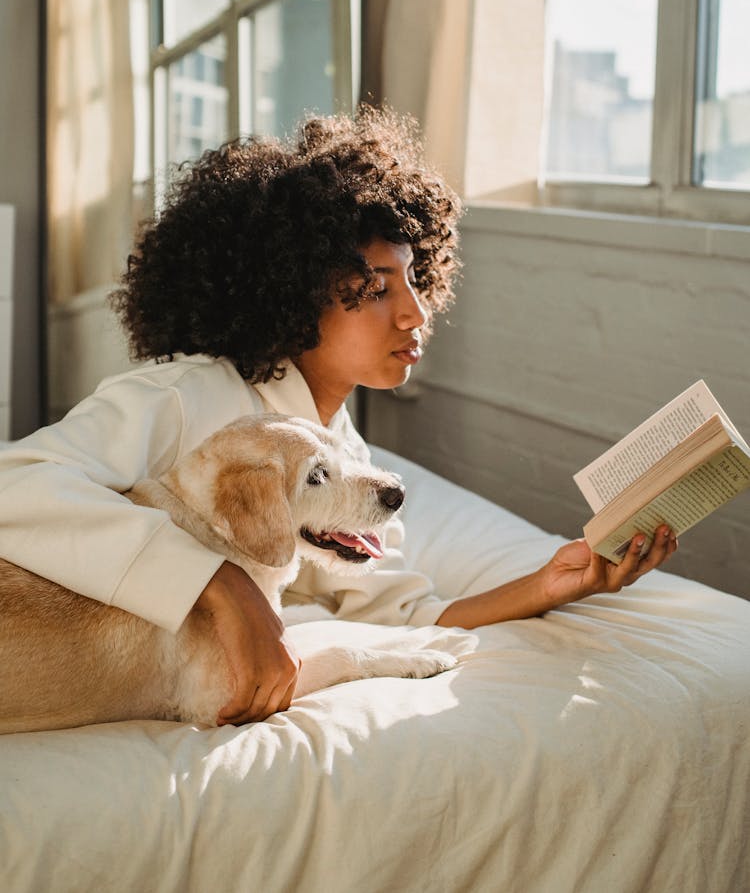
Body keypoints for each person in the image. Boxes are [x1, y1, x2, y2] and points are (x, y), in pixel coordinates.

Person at [0, 106, 677, 726]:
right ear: (292, 297)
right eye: (377, 288)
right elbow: (17, 486)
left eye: (414, 279)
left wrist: (552, 584)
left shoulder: (338, 448)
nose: (415, 312)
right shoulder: (186, 396)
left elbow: (400, 611)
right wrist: (216, 582)